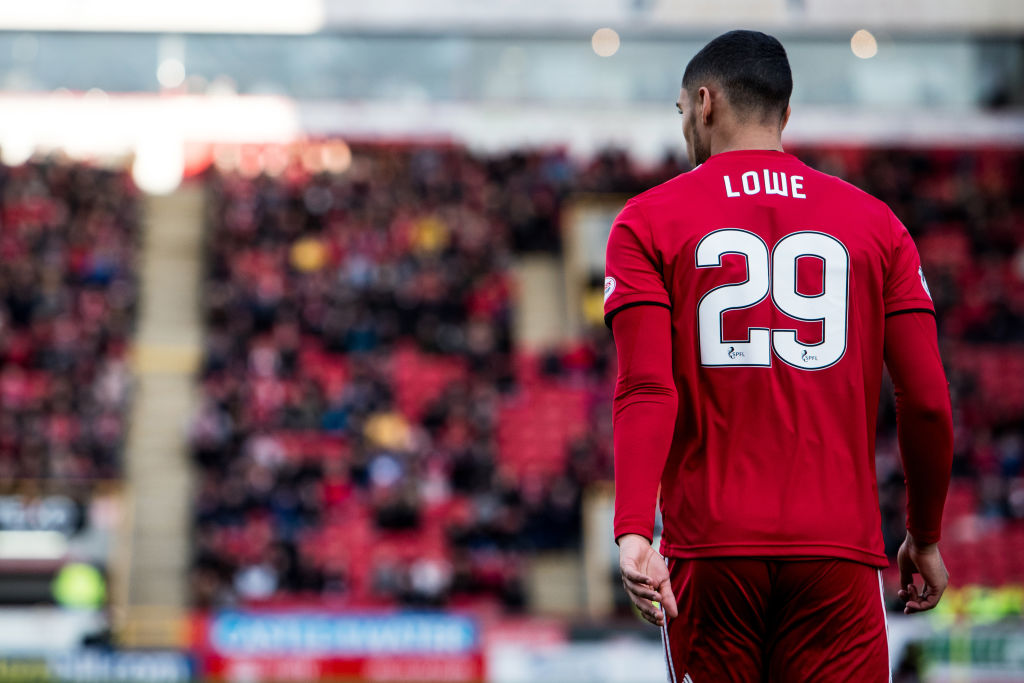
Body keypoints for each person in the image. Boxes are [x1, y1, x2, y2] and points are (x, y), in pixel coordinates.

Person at [604, 30, 953, 682]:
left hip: (712, 549)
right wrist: (923, 535)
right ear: (784, 115)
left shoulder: (646, 221)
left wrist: (632, 534)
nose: (684, 128)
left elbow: (646, 388)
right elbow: (928, 400)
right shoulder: (878, 225)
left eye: (681, 112)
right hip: (838, 553)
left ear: (704, 103)